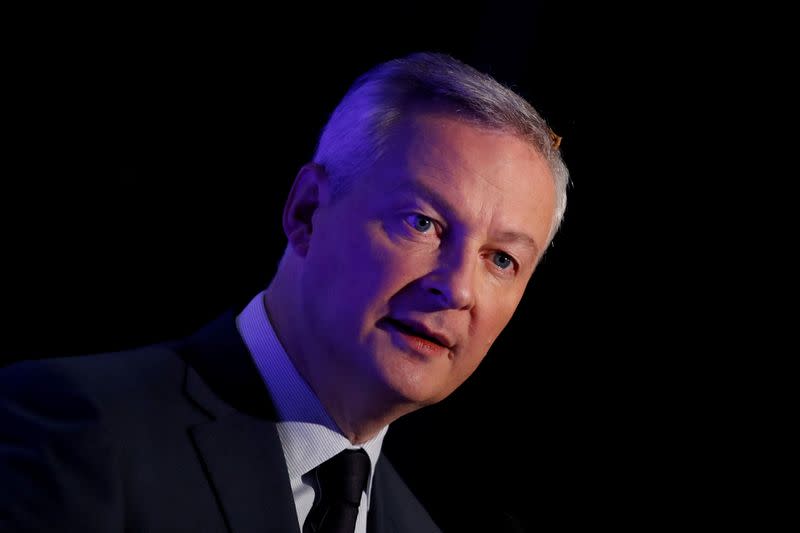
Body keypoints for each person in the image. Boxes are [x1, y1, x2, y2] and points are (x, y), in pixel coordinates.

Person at [0, 51, 569, 533]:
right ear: (307, 210)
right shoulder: (83, 432)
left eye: (502, 259)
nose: (458, 288)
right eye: (422, 223)